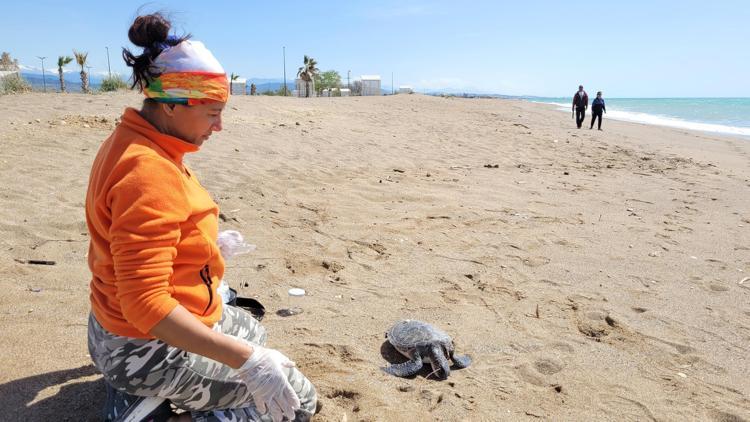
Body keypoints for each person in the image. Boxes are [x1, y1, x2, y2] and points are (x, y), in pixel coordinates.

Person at [85, 13, 316, 421]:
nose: (220, 126)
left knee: (255, 332)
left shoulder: (137, 140)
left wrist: (200, 242)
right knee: (296, 404)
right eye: (211, 113)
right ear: (172, 105)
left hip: (115, 327)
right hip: (141, 347)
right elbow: (146, 304)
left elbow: (136, 235)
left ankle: (147, 389)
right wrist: (248, 362)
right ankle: (144, 401)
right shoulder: (148, 171)